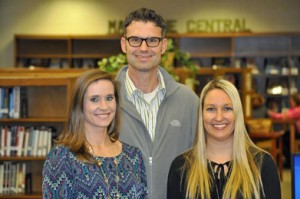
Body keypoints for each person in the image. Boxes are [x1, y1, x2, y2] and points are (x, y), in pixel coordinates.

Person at [115, 8, 199, 199]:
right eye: (135, 40)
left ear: (163, 45)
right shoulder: (105, 102)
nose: (144, 48)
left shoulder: (189, 101)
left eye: (152, 40)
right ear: (124, 44)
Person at [167, 78, 281, 199]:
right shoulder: (181, 167)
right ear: (201, 115)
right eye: (211, 109)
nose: (219, 117)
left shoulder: (262, 164)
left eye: (227, 108)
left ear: (237, 113)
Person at [42, 70, 147, 198]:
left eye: (109, 98)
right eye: (94, 99)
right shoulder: (62, 157)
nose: (104, 106)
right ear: (79, 105)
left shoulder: (134, 156)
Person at [268, 92, 300, 167]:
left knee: (283, 140)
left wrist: (270, 113)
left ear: (295, 101)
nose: (290, 102)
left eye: (291, 100)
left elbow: (283, 116)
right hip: (296, 132)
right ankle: (287, 161)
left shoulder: (298, 110)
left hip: (298, 134)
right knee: (283, 139)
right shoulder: (294, 109)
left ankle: (288, 162)